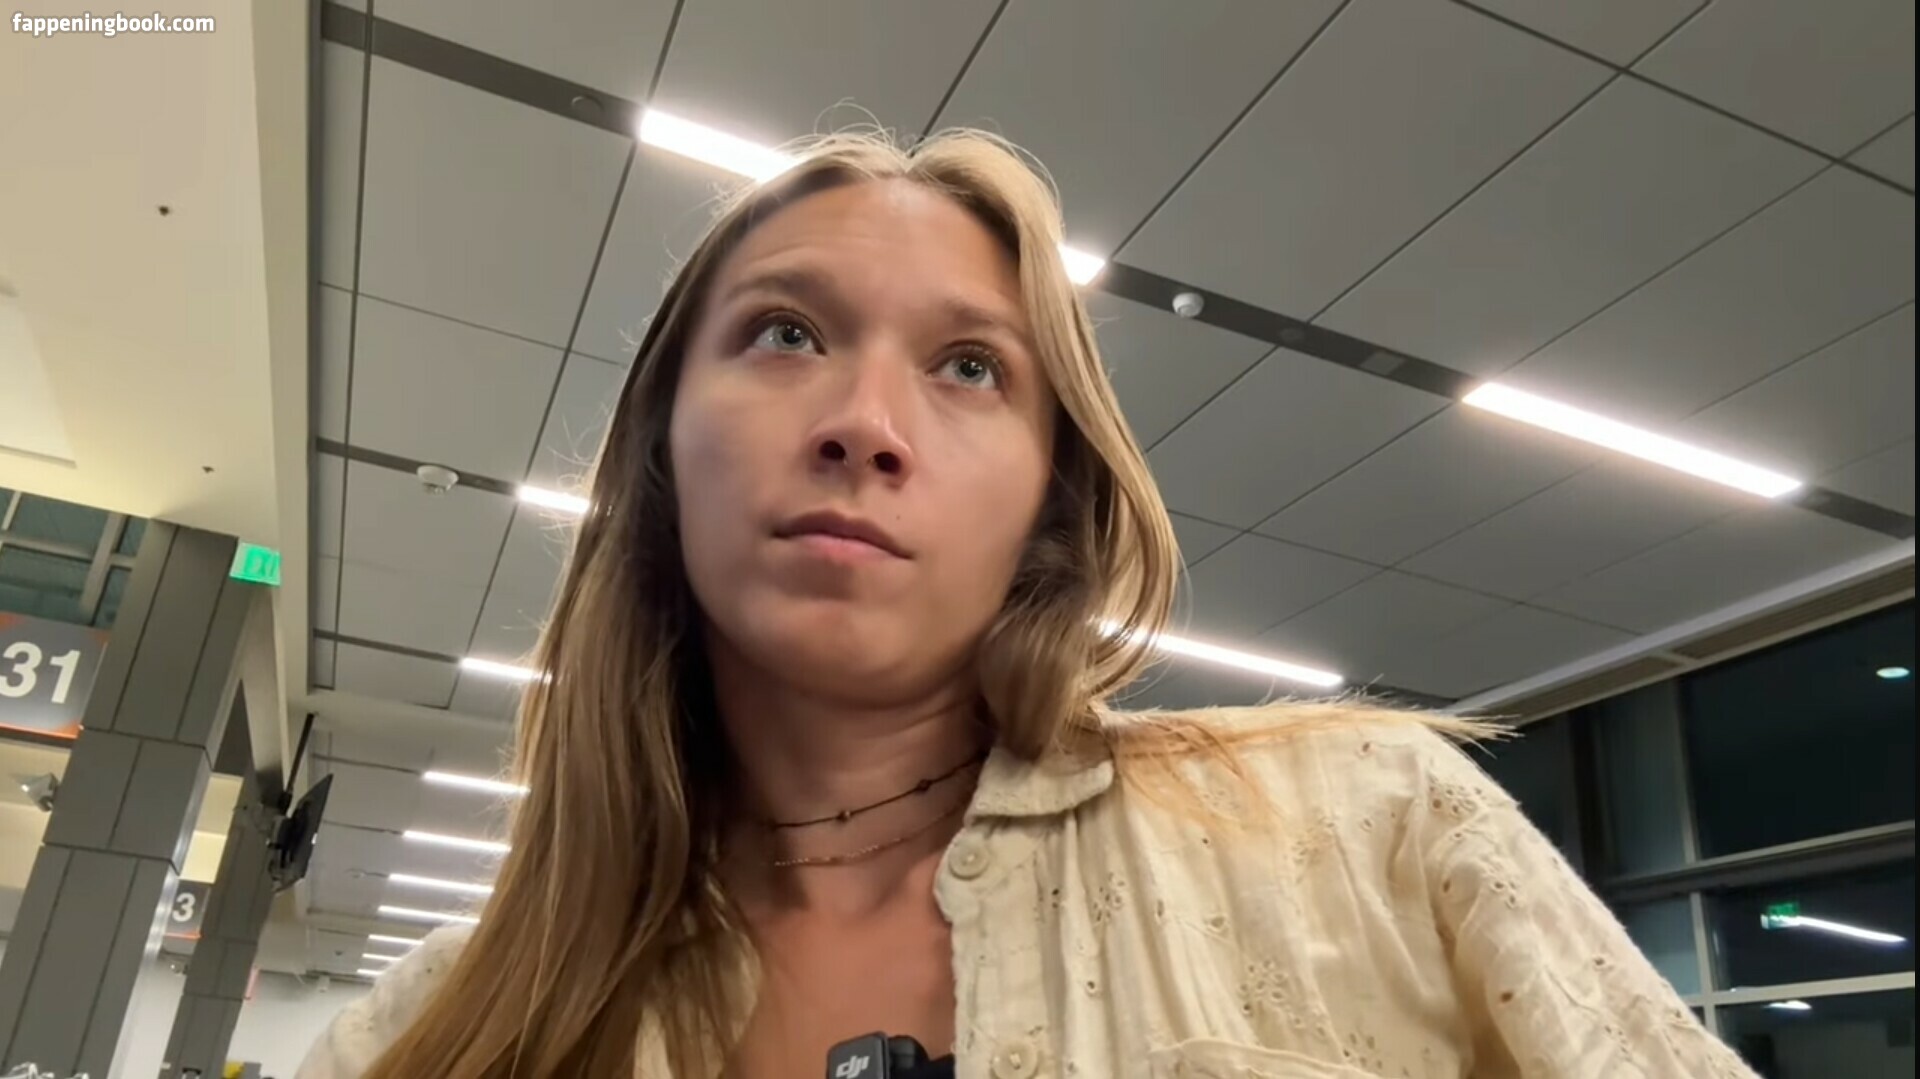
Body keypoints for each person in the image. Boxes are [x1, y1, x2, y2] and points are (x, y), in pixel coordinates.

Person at [296, 130, 1755, 1079]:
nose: (865, 425)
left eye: (970, 367)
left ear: (1047, 506)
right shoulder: (430, 1033)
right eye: (786, 333)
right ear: (663, 450)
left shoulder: (1377, 834)